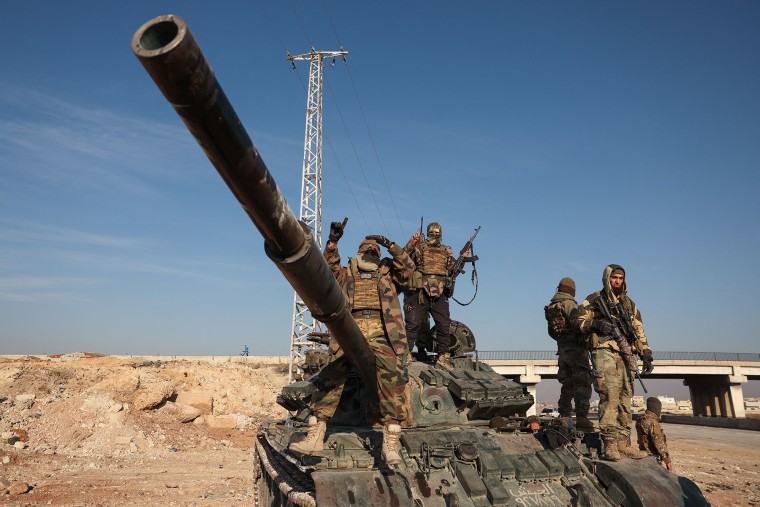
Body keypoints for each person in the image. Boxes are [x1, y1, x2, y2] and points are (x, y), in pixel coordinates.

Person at [289, 219, 414, 465]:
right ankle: (316, 435)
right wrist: (333, 242)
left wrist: (390, 245)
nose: (370, 251)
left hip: (382, 332)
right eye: (366, 249)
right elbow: (325, 267)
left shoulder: (389, 273)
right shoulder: (346, 273)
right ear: (357, 252)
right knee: (330, 374)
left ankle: (391, 441)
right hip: (350, 328)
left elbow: (409, 269)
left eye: (374, 249)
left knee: (393, 375)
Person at [573, 264, 652, 461]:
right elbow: (576, 320)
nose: (617, 281)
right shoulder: (594, 299)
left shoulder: (629, 305)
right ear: (607, 278)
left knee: (626, 396)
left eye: (620, 278)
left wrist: (646, 353)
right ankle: (609, 443)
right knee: (610, 394)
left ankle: (623, 443)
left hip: (626, 353)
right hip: (604, 350)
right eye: (614, 277)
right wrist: (596, 323)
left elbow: (638, 330)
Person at [403, 222, 456, 370]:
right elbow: (402, 257)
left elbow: (452, 269)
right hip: (420, 291)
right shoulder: (419, 247)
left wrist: (462, 260)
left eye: (437, 232)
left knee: (444, 325)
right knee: (412, 325)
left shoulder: (446, 250)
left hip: (440, 292)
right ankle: (406, 354)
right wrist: (412, 242)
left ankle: (443, 357)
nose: (434, 235)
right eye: (432, 232)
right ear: (427, 233)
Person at [546, 277, 595, 432]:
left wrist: (563, 341)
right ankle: (582, 418)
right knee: (583, 383)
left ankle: (564, 415)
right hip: (576, 350)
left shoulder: (553, 306)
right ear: (572, 290)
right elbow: (577, 324)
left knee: (567, 385)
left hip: (562, 351)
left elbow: (551, 332)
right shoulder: (569, 304)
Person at [636, 397, 673, 471]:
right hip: (653, 457)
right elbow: (658, 443)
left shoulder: (640, 419)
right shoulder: (653, 422)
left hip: (643, 454)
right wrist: (667, 460)